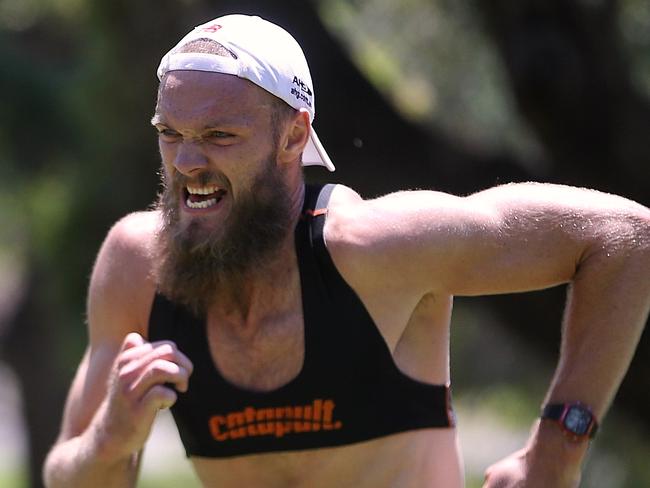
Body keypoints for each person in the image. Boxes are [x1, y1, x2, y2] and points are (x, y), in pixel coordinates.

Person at [43, 14, 650, 488]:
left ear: (294, 135)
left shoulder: (375, 249)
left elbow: (626, 236)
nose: (187, 162)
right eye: (169, 134)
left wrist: (557, 453)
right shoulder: (137, 266)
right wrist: (110, 438)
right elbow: (67, 473)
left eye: (218, 136)